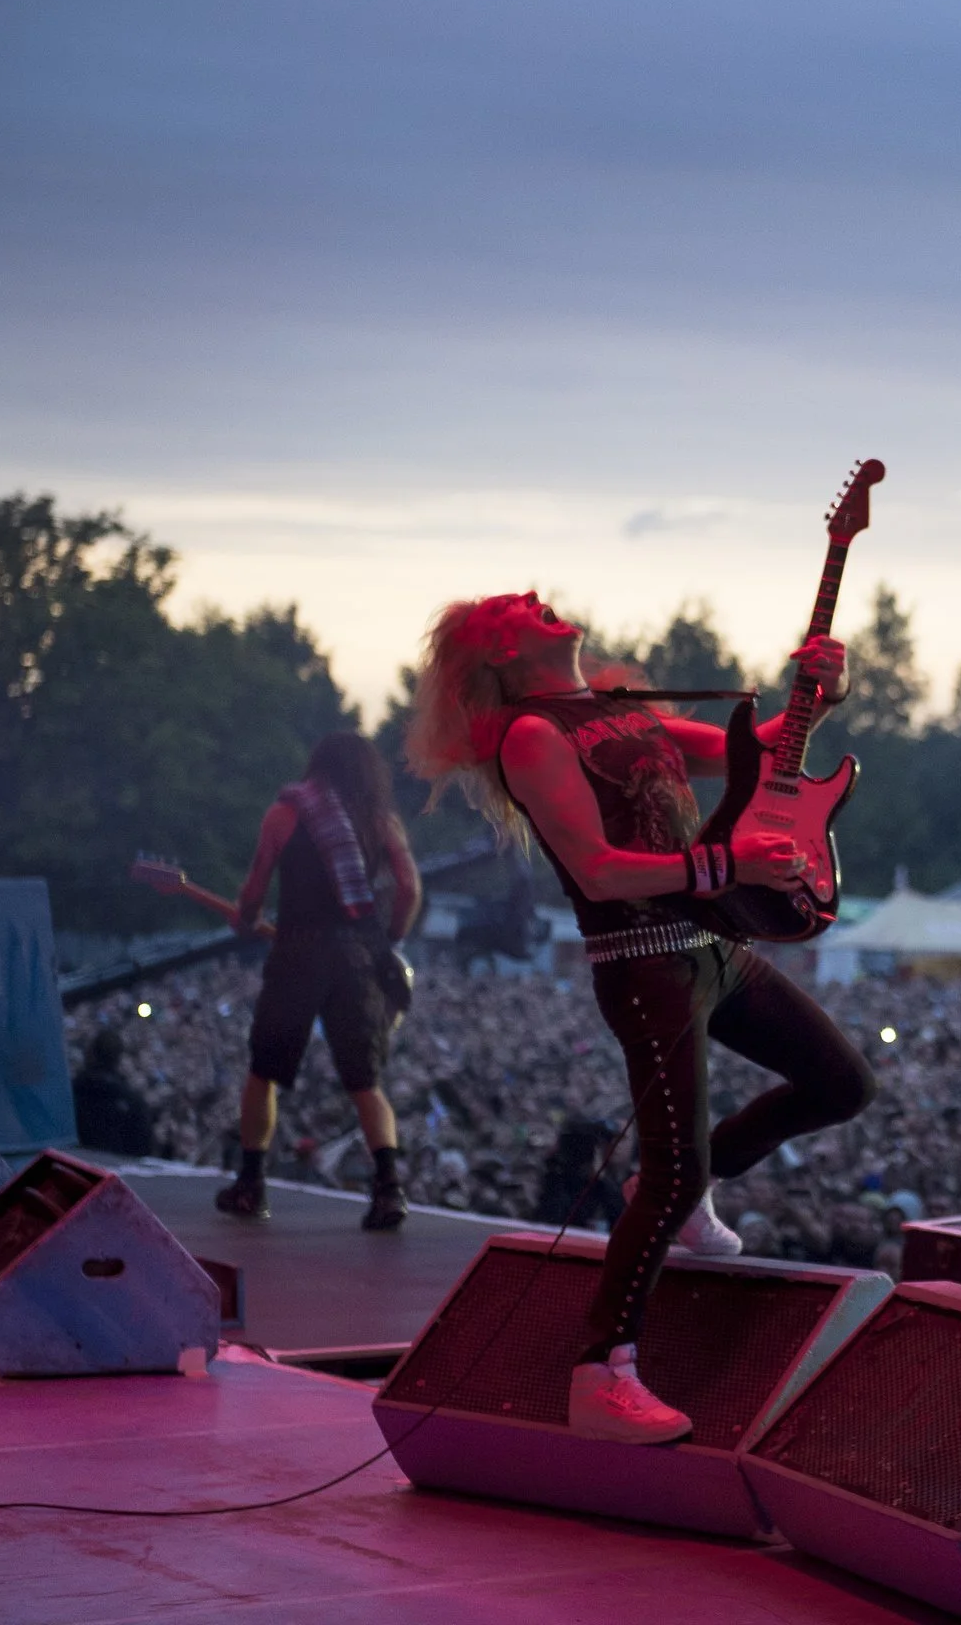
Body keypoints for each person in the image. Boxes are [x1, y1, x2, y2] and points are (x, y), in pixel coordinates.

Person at [406, 592, 872, 1445]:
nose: (539, 599)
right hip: (644, 964)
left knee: (843, 1083)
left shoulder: (618, 709)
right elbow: (598, 870)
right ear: (503, 652)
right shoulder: (534, 735)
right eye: (518, 607)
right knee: (668, 1172)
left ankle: (700, 1183)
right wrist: (726, 864)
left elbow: (756, 751)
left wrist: (821, 696)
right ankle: (601, 1375)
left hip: (712, 945)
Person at [214, 731, 423, 1230]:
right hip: (357, 959)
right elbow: (409, 888)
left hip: (297, 956)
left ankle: (251, 1184)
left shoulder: (285, 814)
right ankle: (389, 1189)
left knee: (264, 1071)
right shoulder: (380, 820)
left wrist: (247, 917)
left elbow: (255, 887)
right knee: (365, 1082)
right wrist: (390, 938)